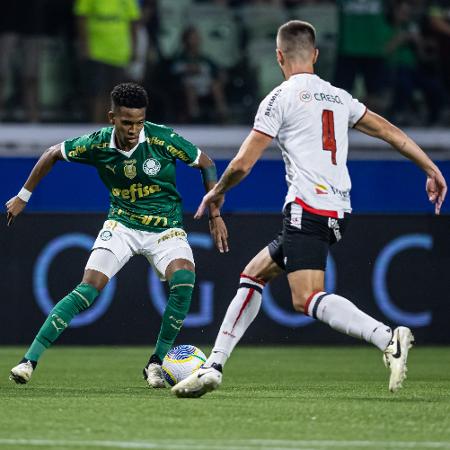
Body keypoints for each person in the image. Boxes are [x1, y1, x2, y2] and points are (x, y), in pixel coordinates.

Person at [171, 20, 447, 398]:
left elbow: (243, 163)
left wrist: (217, 192)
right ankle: (214, 366)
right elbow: (390, 132)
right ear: (315, 55)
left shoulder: (279, 98)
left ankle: (388, 338)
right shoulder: (340, 97)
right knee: (253, 275)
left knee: (306, 299)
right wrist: (431, 167)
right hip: (338, 210)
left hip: (307, 207)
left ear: (279, 56)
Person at [6, 82, 228, 387]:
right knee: (87, 289)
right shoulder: (97, 144)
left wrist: (215, 214)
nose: (134, 129)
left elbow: (207, 164)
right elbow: (51, 153)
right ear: (112, 118)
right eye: (127, 122)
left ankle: (155, 362)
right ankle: (28, 361)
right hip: (122, 225)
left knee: (184, 281)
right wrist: (23, 196)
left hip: (166, 229)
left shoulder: (163, 138)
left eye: (139, 122)